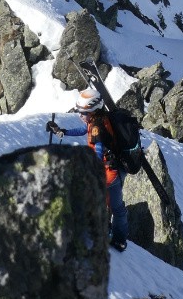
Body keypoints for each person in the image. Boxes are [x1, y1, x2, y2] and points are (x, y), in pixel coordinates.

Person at [52, 88, 129, 251]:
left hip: (108, 173)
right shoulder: (101, 119)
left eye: (83, 112)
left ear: (93, 110)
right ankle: (120, 240)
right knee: (116, 207)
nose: (80, 115)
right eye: (79, 111)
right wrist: (64, 132)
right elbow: (84, 130)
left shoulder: (96, 128)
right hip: (118, 170)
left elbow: (98, 150)